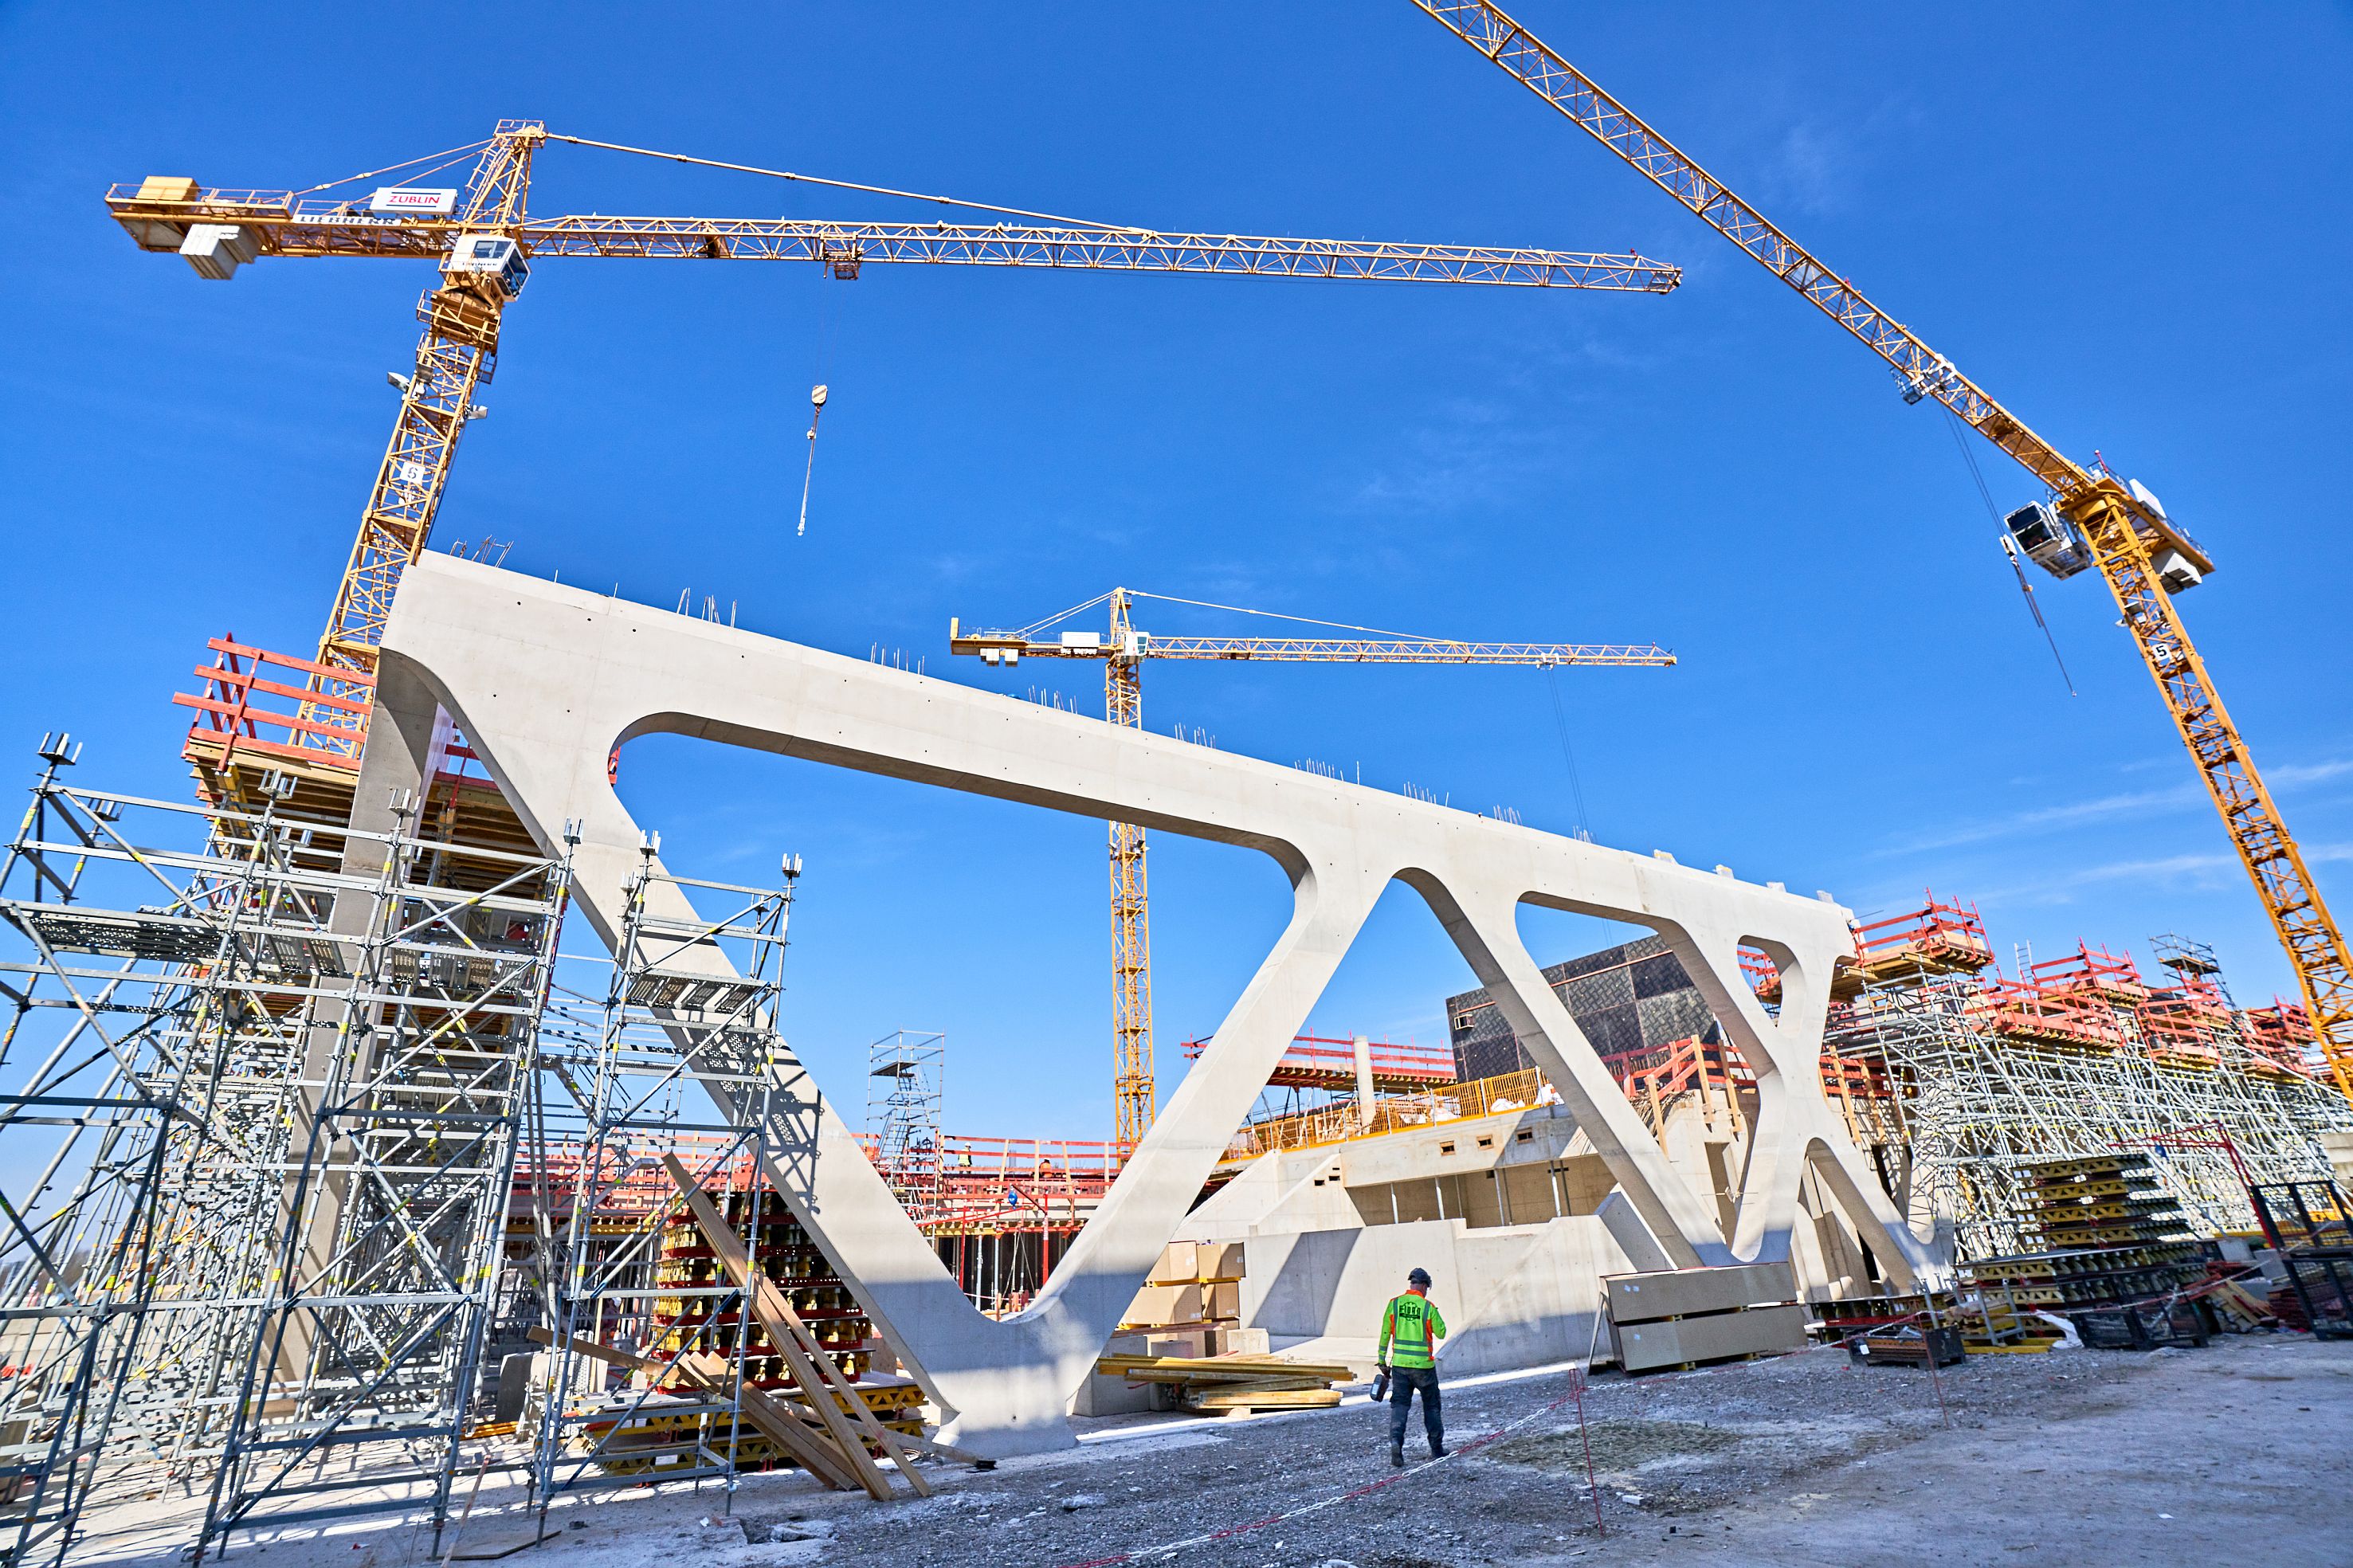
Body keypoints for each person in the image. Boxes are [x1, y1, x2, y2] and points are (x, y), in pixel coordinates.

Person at [1375, 1266, 1447, 1466]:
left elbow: (1384, 1333)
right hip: (1424, 1368)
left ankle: (1396, 1442)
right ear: (1424, 1285)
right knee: (1432, 1406)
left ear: (1411, 1283)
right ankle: (1436, 1449)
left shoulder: (1394, 1304)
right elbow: (1441, 1332)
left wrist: (1382, 1360)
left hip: (1399, 1367)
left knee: (1400, 1406)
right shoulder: (1427, 1307)